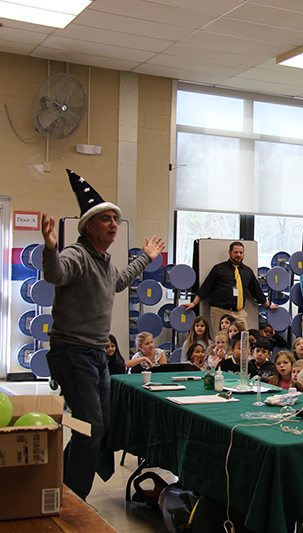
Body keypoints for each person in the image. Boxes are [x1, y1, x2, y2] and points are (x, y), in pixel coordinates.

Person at [41, 169, 165, 499]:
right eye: (106, 219)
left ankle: (61, 487)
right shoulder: (76, 255)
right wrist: (50, 248)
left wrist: (145, 259)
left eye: (115, 219)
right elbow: (55, 273)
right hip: (72, 352)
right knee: (91, 427)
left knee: (98, 428)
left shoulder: (104, 261)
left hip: (96, 354)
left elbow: (120, 281)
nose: (113, 224)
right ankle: (72, 501)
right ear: (89, 226)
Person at [183, 241, 268, 334]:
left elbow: (257, 291)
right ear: (229, 253)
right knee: (220, 339)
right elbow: (205, 288)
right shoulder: (219, 269)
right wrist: (194, 303)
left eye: (241, 252)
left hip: (238, 312)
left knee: (243, 339)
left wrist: (268, 306)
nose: (238, 255)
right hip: (220, 311)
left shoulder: (247, 271)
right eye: (236, 252)